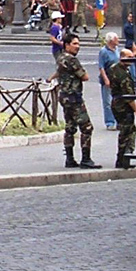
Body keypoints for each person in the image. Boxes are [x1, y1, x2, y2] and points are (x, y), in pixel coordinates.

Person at [49, 33, 101, 169]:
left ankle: (70, 159)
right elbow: (85, 77)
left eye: (78, 44)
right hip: (74, 97)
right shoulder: (72, 60)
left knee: (70, 127)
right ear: (67, 45)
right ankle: (85, 159)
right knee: (87, 127)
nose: (78, 47)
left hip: (64, 96)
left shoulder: (60, 57)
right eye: (75, 44)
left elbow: (59, 73)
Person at [107, 45, 136, 168]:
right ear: (122, 58)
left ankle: (122, 159)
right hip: (123, 106)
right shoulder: (123, 75)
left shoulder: (114, 68)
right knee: (129, 132)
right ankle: (124, 158)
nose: (131, 59)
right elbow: (129, 95)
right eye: (129, 57)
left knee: (124, 130)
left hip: (116, 103)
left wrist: (134, 53)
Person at [98, 32, 122, 130]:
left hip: (116, 79)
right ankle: (109, 122)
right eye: (117, 39)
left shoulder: (116, 50)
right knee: (107, 101)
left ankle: (117, 121)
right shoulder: (103, 51)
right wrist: (106, 79)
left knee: (116, 101)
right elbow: (101, 67)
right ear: (111, 40)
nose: (118, 40)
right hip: (108, 78)